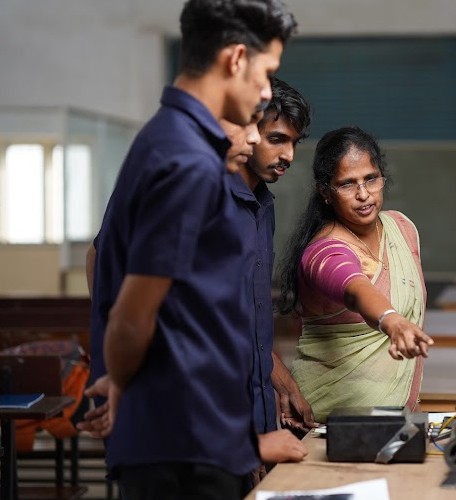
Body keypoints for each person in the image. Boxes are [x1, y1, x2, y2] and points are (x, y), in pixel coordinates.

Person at [84, 1, 300, 497]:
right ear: (235, 59)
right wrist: (125, 387)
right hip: (186, 450)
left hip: (193, 440)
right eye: (266, 73)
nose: (266, 91)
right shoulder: (188, 161)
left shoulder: (171, 141)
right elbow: (133, 316)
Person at [276, 126, 434, 422]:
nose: (363, 195)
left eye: (370, 179)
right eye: (347, 184)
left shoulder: (402, 229)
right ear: (325, 192)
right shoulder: (323, 252)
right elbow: (353, 287)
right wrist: (391, 320)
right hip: (326, 426)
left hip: (396, 421)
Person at [219, 77, 314, 476]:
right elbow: (102, 257)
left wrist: (284, 386)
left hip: (251, 413)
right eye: (277, 139)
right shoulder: (204, 196)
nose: (288, 155)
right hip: (209, 423)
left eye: (294, 142)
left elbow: (248, 326)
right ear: (247, 127)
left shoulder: (263, 206)